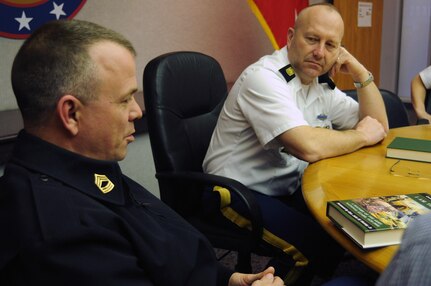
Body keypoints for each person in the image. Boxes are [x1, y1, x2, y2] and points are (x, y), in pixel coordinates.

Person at [0, 19, 285, 286]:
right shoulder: (59, 233)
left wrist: (224, 279)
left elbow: (158, 247)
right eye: (125, 100)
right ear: (71, 113)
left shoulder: (84, 165)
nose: (137, 111)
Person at [203, 3, 388, 285]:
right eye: (312, 39)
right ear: (290, 37)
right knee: (311, 247)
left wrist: (361, 73)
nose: (320, 52)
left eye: (331, 45)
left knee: (341, 226)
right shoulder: (264, 78)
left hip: (284, 187)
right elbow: (308, 147)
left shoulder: (317, 83)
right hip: (234, 193)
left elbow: (378, 126)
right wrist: (360, 136)